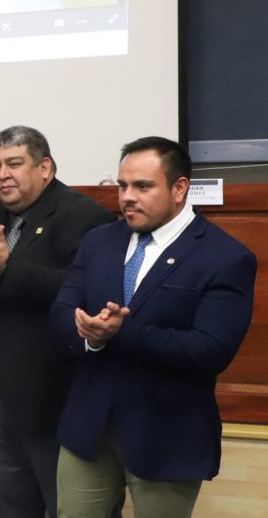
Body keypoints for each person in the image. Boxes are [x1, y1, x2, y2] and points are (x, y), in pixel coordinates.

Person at [51, 136, 256, 518]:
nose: (128, 197)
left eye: (143, 186)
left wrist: (121, 333)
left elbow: (211, 349)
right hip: (89, 423)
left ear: (179, 188)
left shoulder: (225, 257)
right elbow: (63, 309)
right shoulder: (99, 241)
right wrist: (89, 335)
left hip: (166, 435)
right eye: (123, 185)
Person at [0, 125, 115, 518]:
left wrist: (9, 266)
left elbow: (86, 291)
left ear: (45, 168)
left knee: (72, 509)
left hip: (56, 399)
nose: (2, 175)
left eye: (14, 164)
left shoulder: (86, 217)